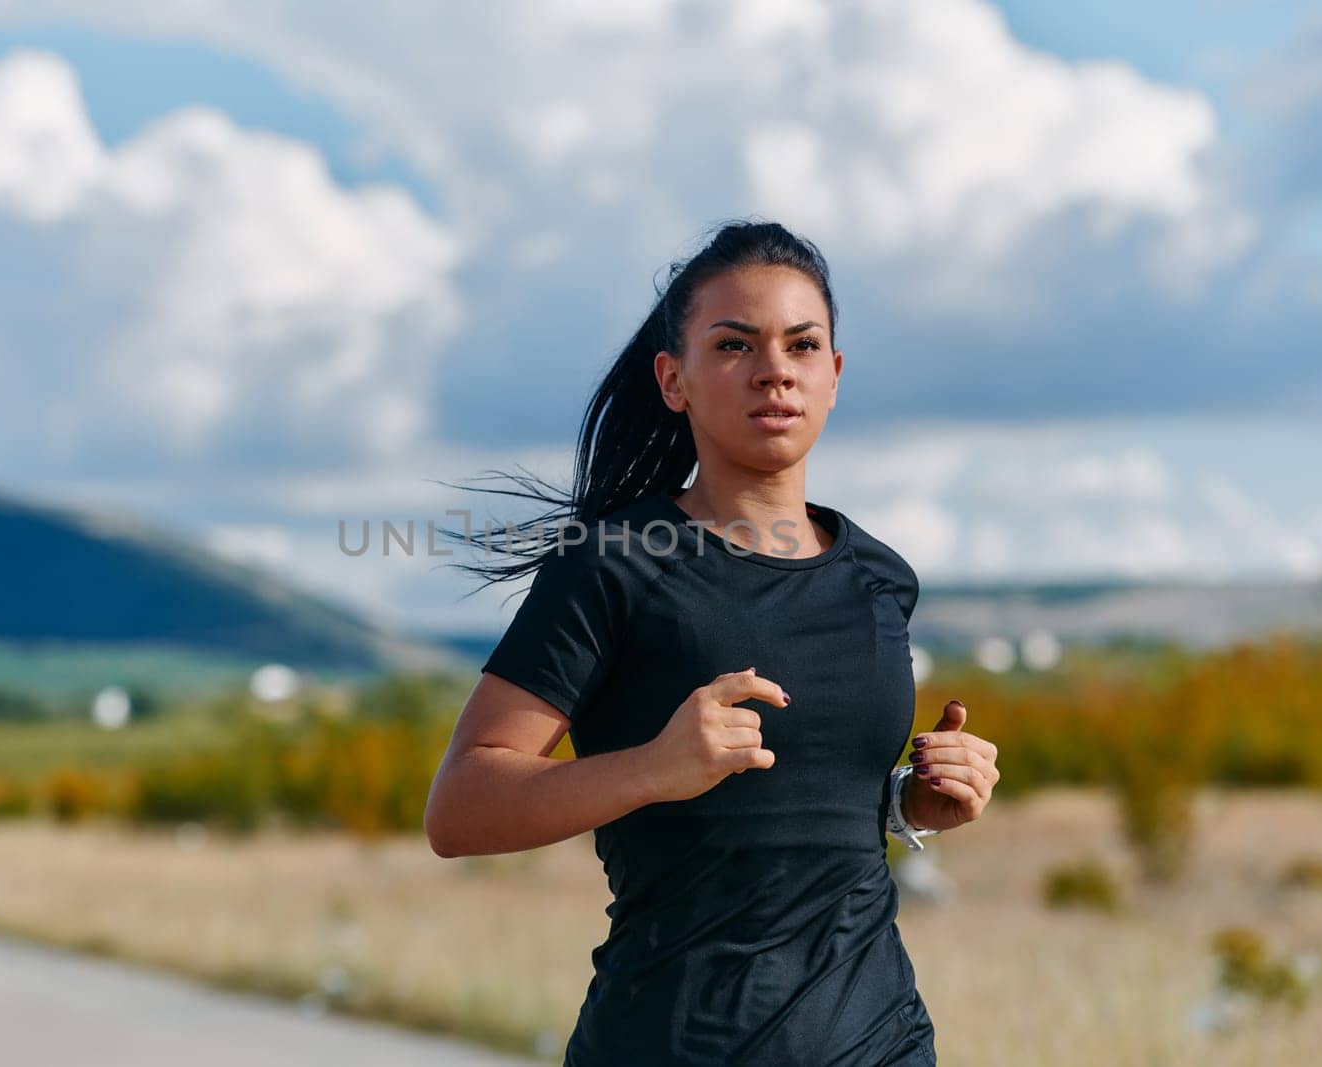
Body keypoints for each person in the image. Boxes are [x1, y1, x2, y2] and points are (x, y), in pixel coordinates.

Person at [424, 219, 1000, 1065]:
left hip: (879, 1040)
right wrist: (653, 767)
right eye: (735, 345)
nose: (775, 369)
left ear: (834, 376)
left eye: (803, 346)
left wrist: (912, 803)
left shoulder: (881, 577)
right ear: (674, 379)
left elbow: (802, 805)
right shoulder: (614, 566)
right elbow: (459, 807)